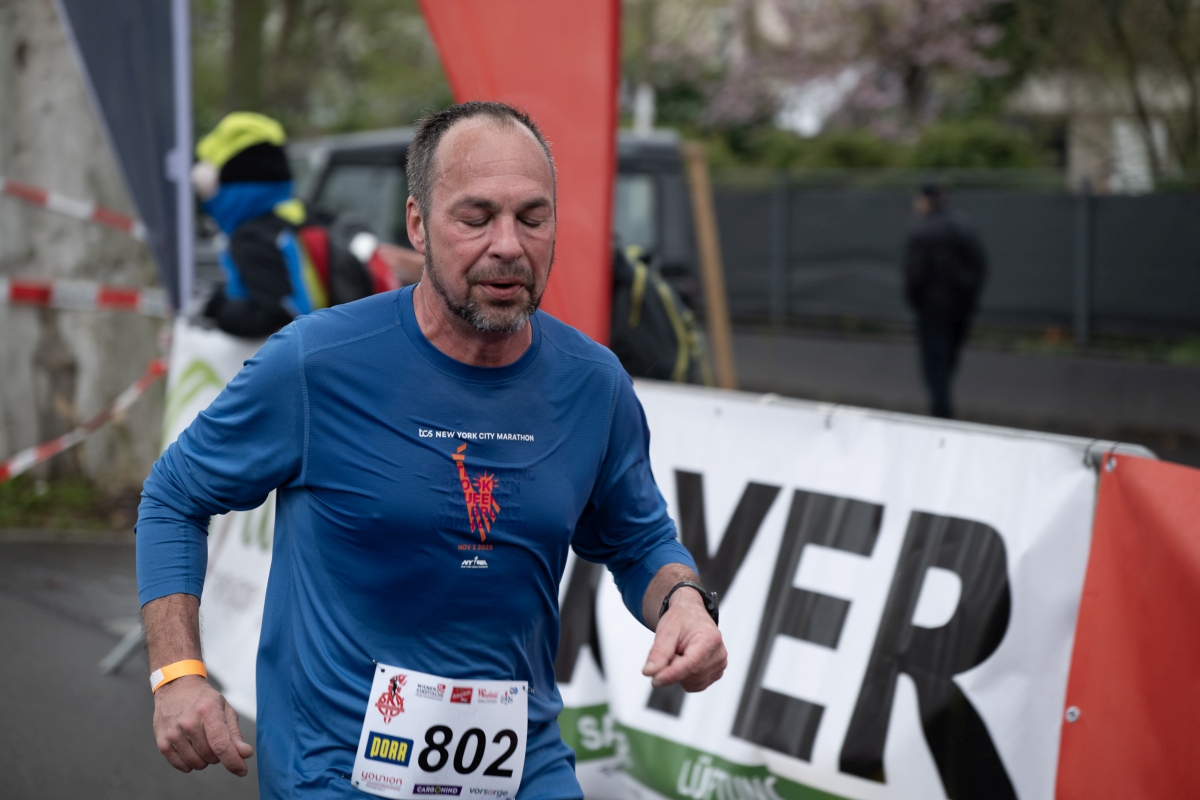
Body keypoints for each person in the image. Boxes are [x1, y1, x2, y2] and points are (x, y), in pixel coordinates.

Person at [137, 101, 727, 800]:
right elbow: (174, 496)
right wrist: (178, 674)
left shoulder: (593, 384)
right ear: (417, 224)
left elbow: (637, 538)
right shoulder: (316, 363)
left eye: (532, 218)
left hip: (522, 769)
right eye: (476, 218)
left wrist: (684, 602)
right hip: (337, 773)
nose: (508, 245)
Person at [902, 182, 988, 419]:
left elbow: (914, 275)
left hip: (931, 310)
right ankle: (943, 406)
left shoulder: (922, 231)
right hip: (960, 308)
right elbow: (979, 266)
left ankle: (940, 410)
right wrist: (968, 300)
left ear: (925, 201)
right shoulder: (964, 227)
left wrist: (916, 302)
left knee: (934, 362)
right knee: (950, 358)